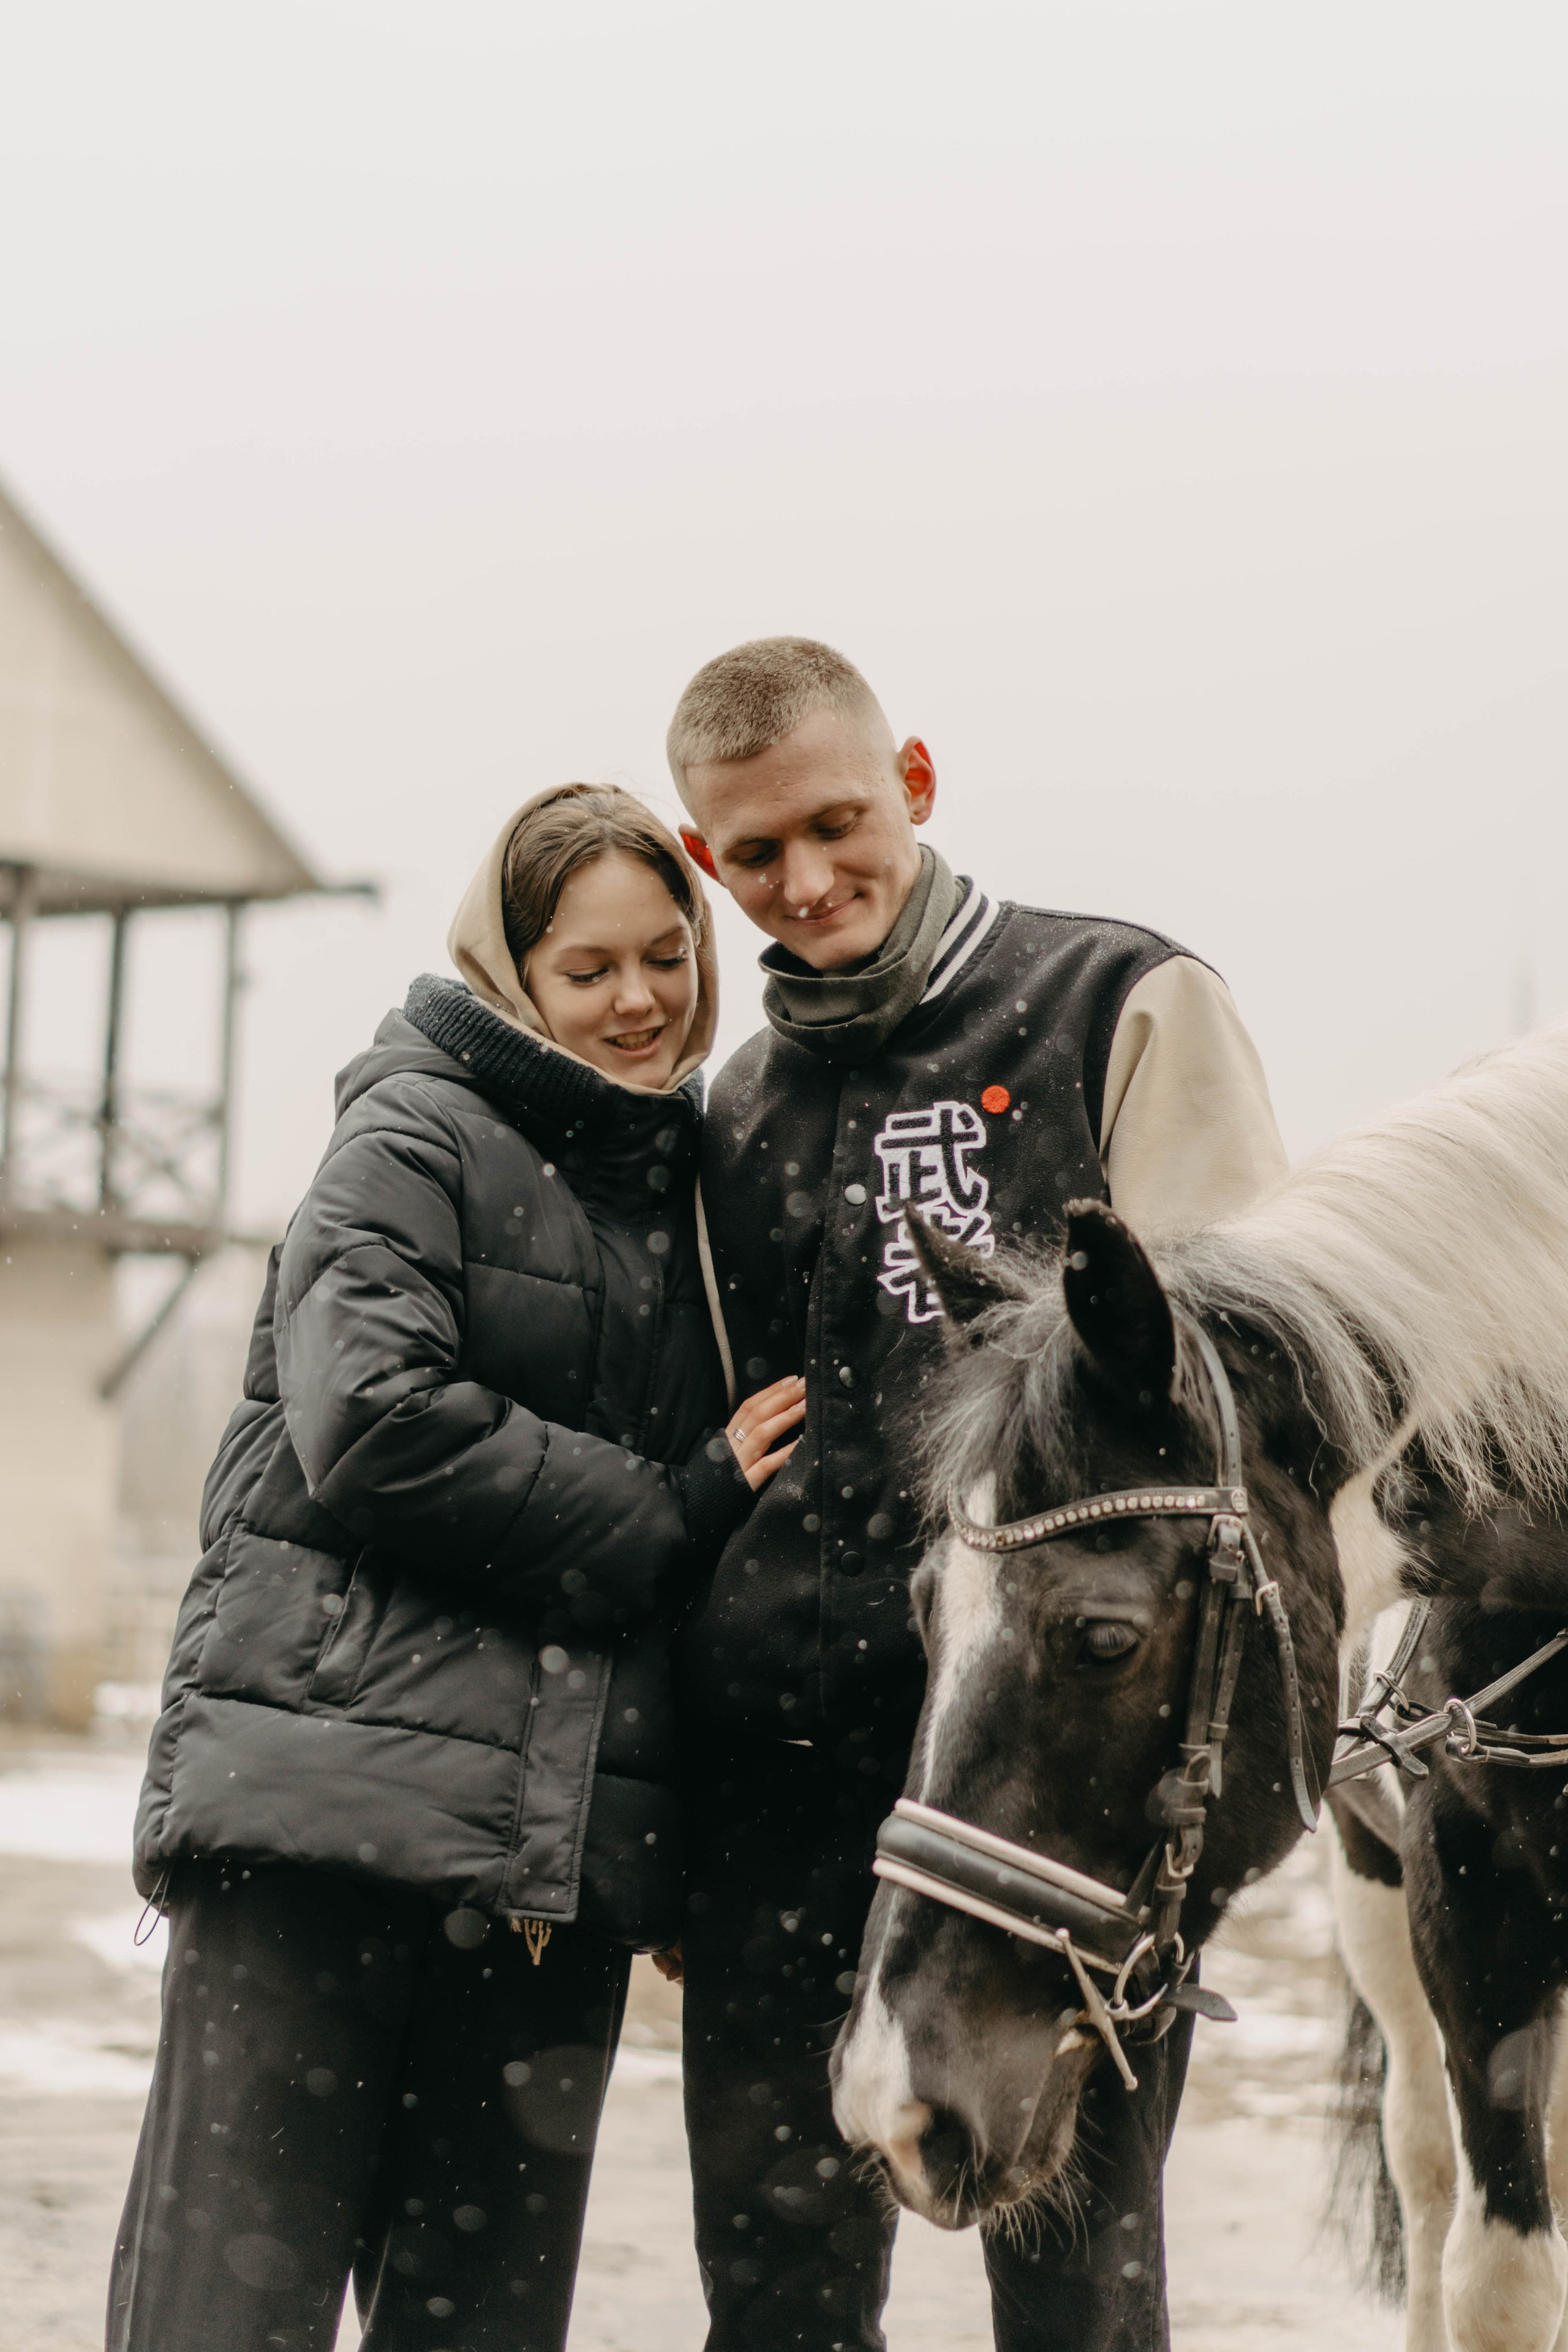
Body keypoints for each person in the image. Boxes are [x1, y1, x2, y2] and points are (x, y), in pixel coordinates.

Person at [107, 783, 804, 2352]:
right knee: (223, 2320)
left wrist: (679, 1843)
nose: (639, 1000)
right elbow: (370, 1424)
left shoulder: (695, 1191)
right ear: (512, 974)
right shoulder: (411, 1131)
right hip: (317, 1842)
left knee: (482, 2330)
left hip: (543, 1883)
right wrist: (671, 1502)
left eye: (666, 956)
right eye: (588, 968)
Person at [668, 639, 1288, 2352]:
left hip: (1034, 1804)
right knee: (777, 2290)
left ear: (917, 782)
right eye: (752, 858)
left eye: (835, 823)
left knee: (1074, 2301)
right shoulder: (737, 1106)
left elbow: (1225, 1425)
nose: (804, 883)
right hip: (779, 1788)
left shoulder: (1123, 1005)